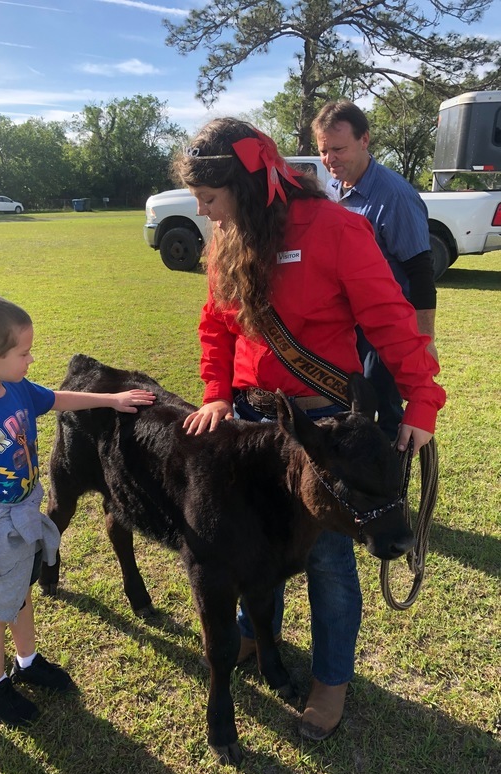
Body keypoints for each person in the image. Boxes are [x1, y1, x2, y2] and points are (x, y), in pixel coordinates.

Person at [175, 118, 445, 741]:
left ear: (245, 186)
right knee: (247, 539)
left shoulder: (337, 229)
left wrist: (422, 404)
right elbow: (216, 327)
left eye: (210, 199)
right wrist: (217, 393)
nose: (202, 212)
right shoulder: (228, 237)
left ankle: (331, 678)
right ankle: (248, 632)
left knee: (326, 559)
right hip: (247, 421)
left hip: (321, 424)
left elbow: (394, 324)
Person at [0, 292, 155, 728]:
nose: (31, 359)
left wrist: (110, 401)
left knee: (20, 596)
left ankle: (27, 661)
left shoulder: (13, 387)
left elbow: (57, 399)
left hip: (22, 515)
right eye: (23, 352)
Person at [312, 99, 437, 440]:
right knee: (355, 404)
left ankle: (391, 485)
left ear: (364, 140)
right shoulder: (334, 191)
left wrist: (424, 340)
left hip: (384, 325)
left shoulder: (394, 195)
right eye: (323, 150)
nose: (329, 160)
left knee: (385, 410)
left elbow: (420, 272)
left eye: (338, 149)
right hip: (348, 324)